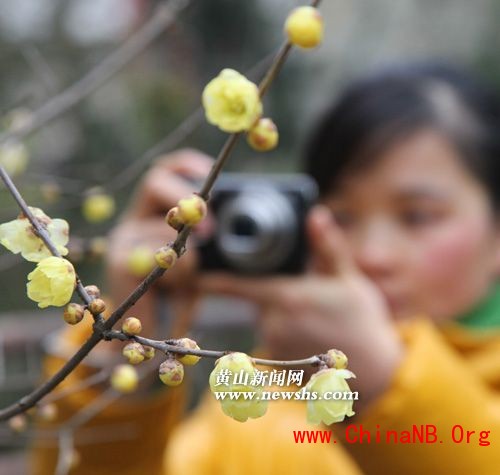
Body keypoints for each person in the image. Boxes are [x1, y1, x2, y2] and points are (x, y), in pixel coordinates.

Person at [32, 62, 500, 474]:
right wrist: (125, 355)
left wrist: (384, 382)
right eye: (339, 217)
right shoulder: (270, 386)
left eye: (418, 216)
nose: (372, 253)